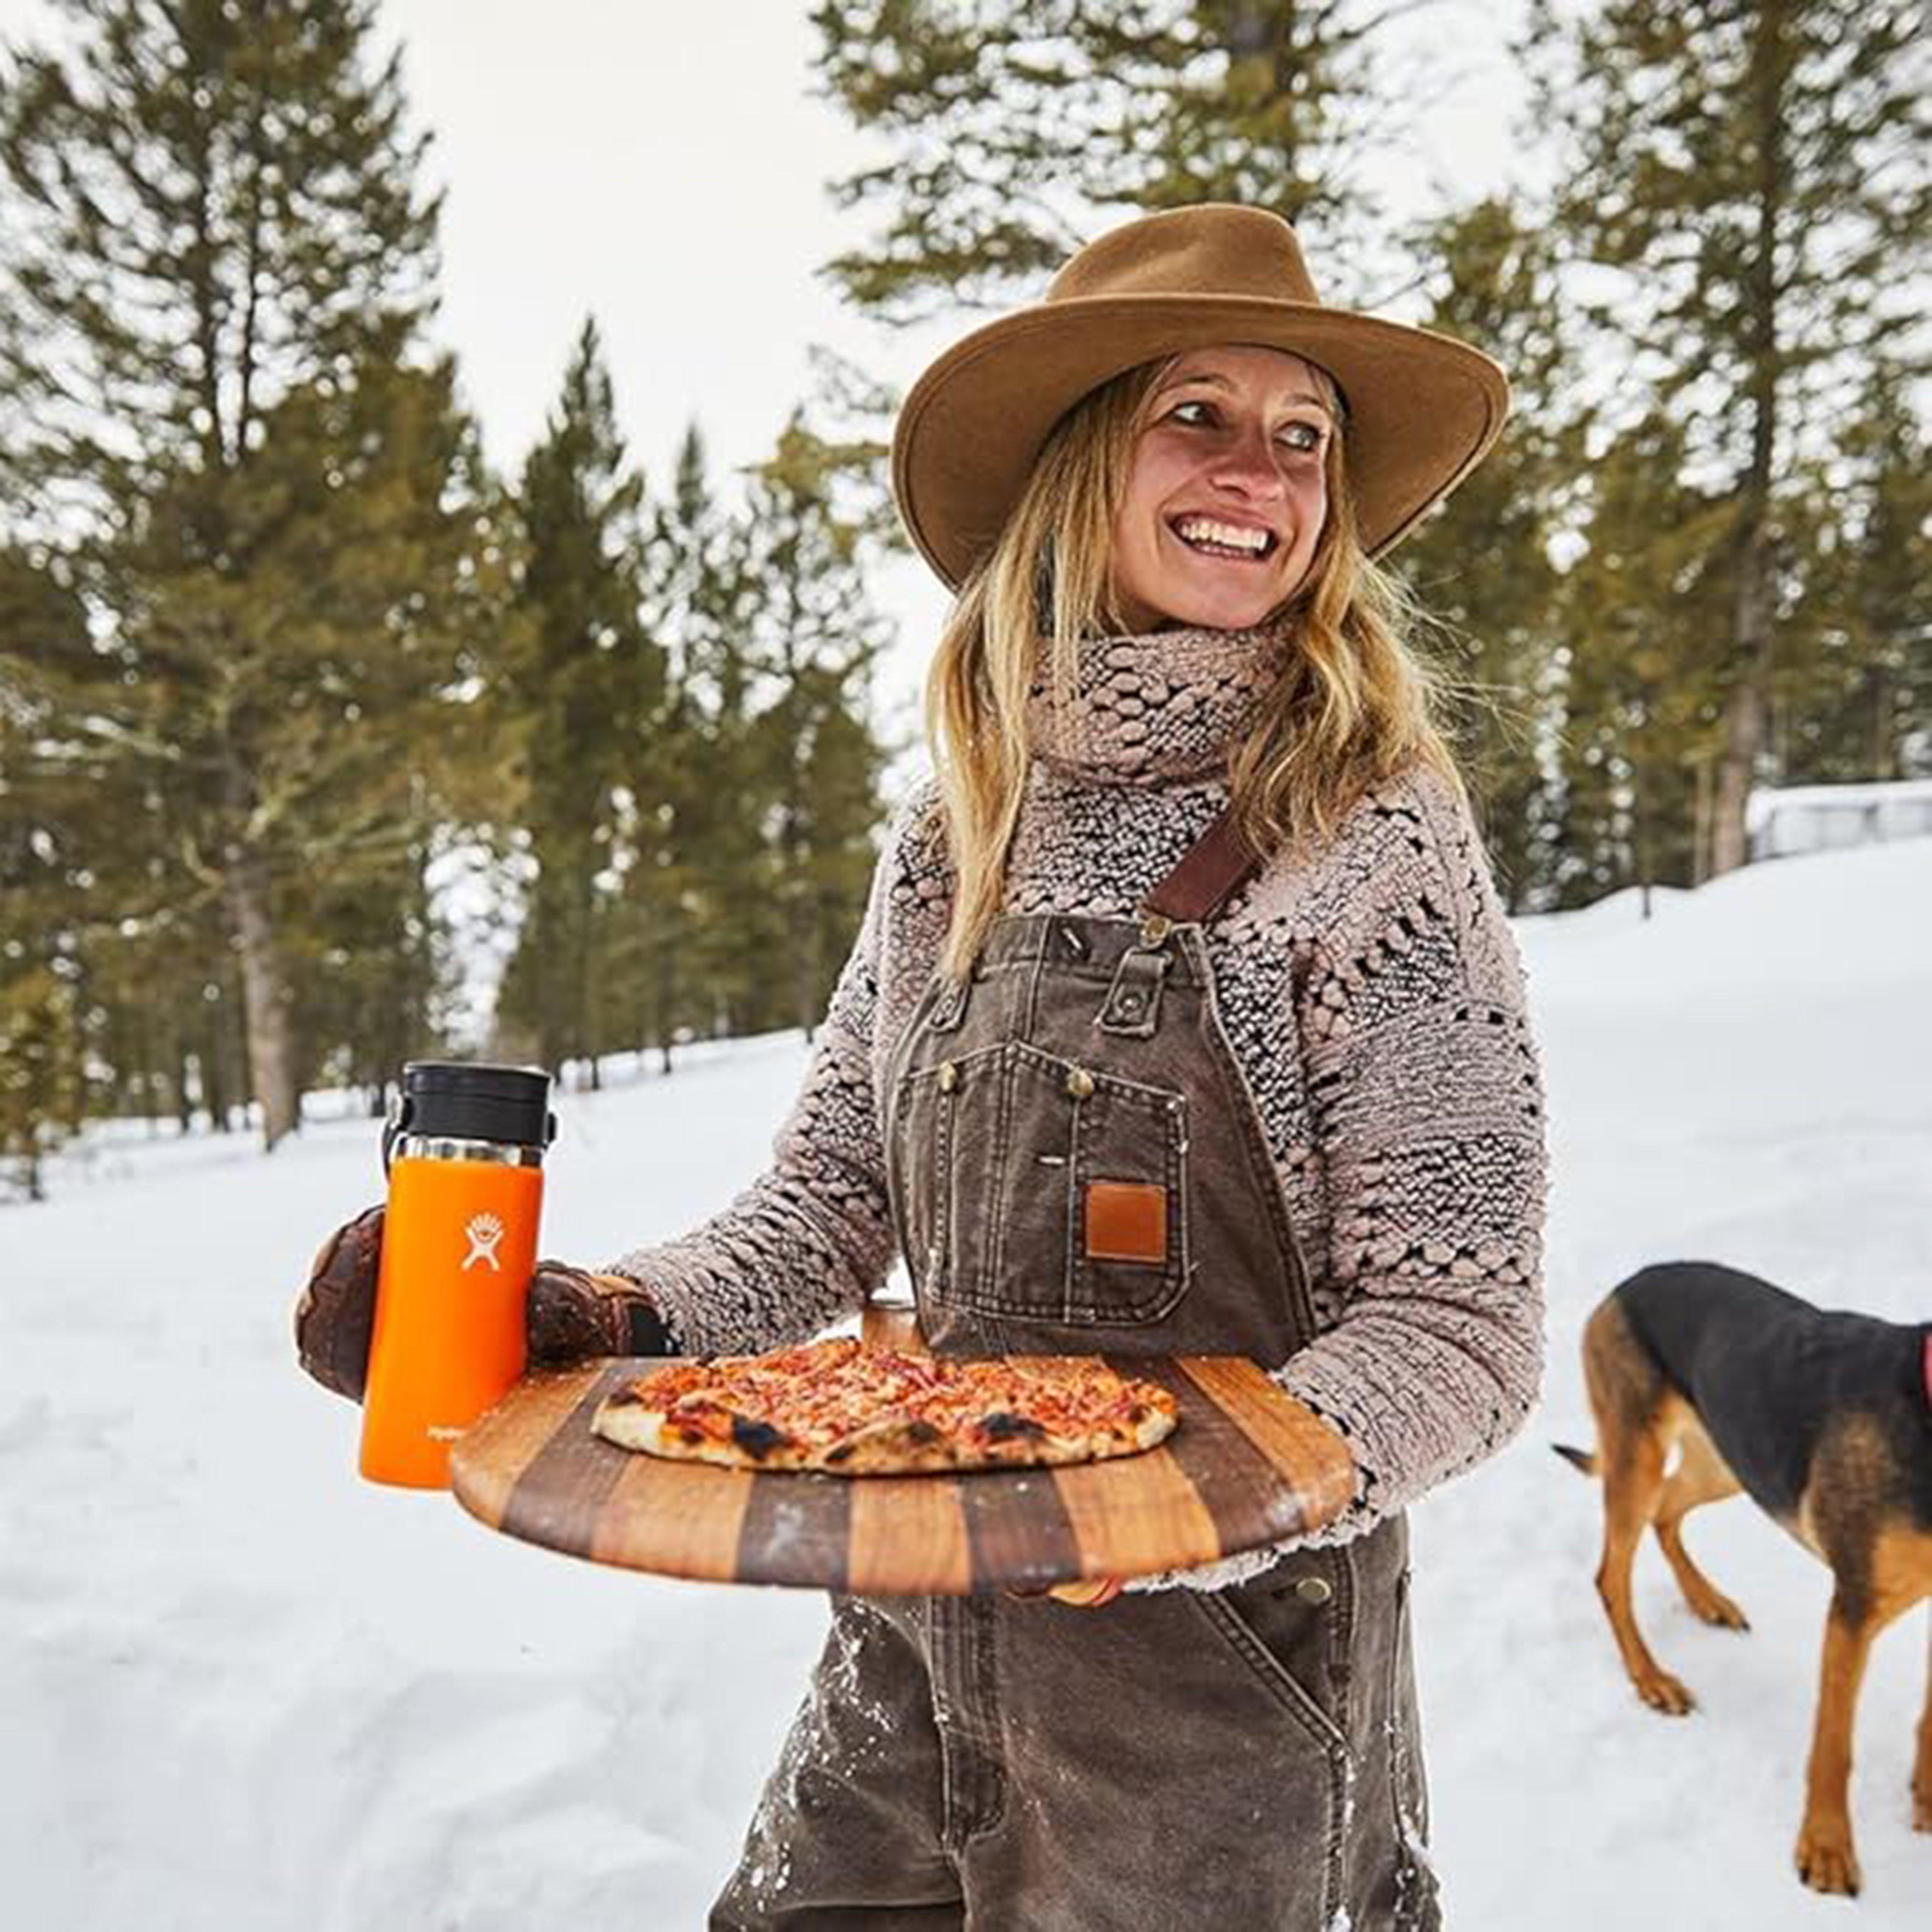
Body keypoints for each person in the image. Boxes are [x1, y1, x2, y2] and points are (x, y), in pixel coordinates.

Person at [296, 202, 1548, 1931]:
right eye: (1199, 414)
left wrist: (1162, 1502)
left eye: (1304, 437)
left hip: (1218, 1702)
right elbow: (824, 1206)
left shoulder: (1371, 832)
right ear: (1079, 457)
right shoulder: (956, 832)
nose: (1258, 472)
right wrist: (600, 1318)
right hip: (915, 1648)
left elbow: (1460, 1330)